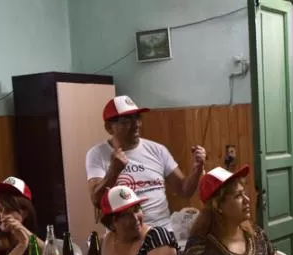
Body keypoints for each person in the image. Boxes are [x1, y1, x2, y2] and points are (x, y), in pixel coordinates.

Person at [86, 95, 206, 231]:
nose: (136, 125)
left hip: (162, 233)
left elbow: (184, 190)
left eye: (137, 118)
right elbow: (97, 201)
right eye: (126, 121)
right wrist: (114, 171)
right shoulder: (97, 154)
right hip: (125, 238)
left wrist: (197, 169)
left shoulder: (158, 150)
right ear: (109, 127)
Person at [100, 185, 182, 255]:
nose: (135, 218)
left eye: (137, 209)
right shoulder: (102, 243)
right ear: (112, 223)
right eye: (126, 215)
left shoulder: (157, 236)